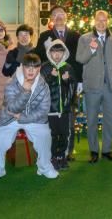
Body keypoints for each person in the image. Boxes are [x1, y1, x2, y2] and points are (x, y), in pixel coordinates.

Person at [0, 53, 58, 182]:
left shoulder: (43, 86)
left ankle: (45, 167)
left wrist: (23, 117)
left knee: (45, 136)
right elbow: (12, 108)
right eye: (28, 67)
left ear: (39, 68)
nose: (31, 70)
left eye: (35, 67)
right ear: (22, 67)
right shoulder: (11, 82)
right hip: (9, 118)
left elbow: (43, 111)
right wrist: (25, 91)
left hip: (33, 119)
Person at [76, 10, 112, 163]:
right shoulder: (85, 38)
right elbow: (80, 59)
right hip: (92, 86)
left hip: (110, 86)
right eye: (99, 20)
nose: (101, 23)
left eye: (104, 20)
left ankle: (107, 150)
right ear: (94, 21)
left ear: (108, 21)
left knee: (109, 119)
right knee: (91, 120)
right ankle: (93, 151)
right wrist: (91, 49)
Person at [36, 5, 81, 161]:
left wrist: (78, 81)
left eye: (61, 13)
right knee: (51, 123)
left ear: (66, 16)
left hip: (69, 84)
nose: (59, 16)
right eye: (55, 14)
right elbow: (37, 57)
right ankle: (51, 152)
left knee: (69, 119)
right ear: (51, 19)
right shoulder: (44, 36)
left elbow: (79, 60)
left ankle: (68, 152)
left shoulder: (76, 36)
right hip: (51, 86)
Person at [41, 40, 77, 170]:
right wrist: (51, 77)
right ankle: (52, 157)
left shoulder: (68, 68)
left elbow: (73, 89)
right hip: (50, 110)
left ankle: (62, 156)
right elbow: (40, 87)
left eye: (60, 51)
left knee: (64, 134)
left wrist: (68, 80)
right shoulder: (45, 67)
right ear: (49, 52)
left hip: (64, 110)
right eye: (54, 51)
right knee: (52, 135)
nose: (57, 54)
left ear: (64, 52)